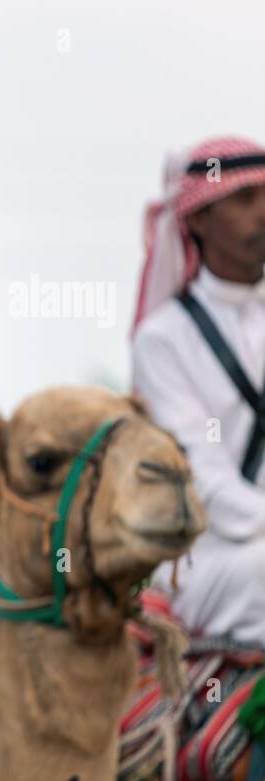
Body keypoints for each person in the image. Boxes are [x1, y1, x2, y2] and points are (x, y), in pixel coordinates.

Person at [132, 135, 265, 645]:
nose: (263, 214)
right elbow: (203, 482)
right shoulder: (162, 340)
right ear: (198, 219)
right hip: (211, 560)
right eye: (245, 199)